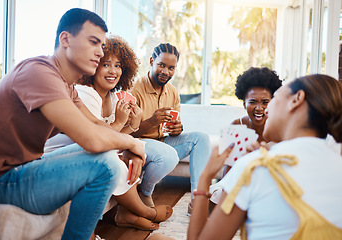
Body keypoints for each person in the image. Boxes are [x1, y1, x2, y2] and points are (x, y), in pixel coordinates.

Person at [0, 8, 147, 240]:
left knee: (107, 155)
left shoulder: (66, 86)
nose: (100, 52)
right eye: (93, 42)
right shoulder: (38, 72)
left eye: (102, 45)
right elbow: (90, 138)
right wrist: (132, 143)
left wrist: (129, 141)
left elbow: (98, 128)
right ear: (66, 39)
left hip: (23, 169)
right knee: (104, 166)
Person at [187, 74, 342, 239]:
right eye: (253, 102)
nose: (265, 109)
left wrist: (205, 177)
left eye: (273, 98)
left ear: (296, 99)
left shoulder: (255, 167)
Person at [44, 34, 173, 230]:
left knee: (126, 157)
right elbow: (97, 138)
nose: (113, 71)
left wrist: (132, 127)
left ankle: (125, 214)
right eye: (106, 65)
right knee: (113, 159)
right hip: (61, 153)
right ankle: (144, 211)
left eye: (118, 65)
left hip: (88, 150)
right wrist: (124, 128)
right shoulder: (85, 93)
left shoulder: (112, 97)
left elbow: (115, 135)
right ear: (93, 66)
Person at [131, 43, 211, 214]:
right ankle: (145, 191)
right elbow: (127, 133)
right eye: (161, 65)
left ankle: (197, 200)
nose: (166, 72)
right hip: (139, 143)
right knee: (167, 154)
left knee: (201, 138)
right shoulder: (135, 89)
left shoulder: (172, 92)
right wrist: (152, 121)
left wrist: (177, 129)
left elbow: (174, 127)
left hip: (162, 141)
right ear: (152, 61)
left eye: (171, 68)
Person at [209, 67, 282, 208]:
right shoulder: (236, 126)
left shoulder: (279, 128)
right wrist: (225, 190)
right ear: (244, 104)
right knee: (212, 200)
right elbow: (228, 168)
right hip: (239, 182)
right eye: (253, 102)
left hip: (270, 184)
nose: (259, 108)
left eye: (265, 102)